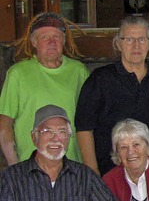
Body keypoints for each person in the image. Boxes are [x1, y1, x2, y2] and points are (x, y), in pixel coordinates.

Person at [76, 16, 149, 175]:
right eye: (129, 39)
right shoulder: (100, 79)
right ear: (118, 44)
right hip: (111, 173)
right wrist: (93, 171)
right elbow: (84, 128)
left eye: (142, 39)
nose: (136, 45)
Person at [0, 12, 89, 165]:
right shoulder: (18, 73)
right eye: (45, 37)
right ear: (34, 42)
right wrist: (15, 167)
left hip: (72, 164)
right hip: (29, 165)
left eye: (57, 37)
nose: (52, 42)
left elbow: (89, 121)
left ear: (64, 41)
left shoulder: (79, 72)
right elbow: (5, 125)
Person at [0, 105, 117, 201]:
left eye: (62, 132)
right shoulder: (12, 178)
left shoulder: (85, 176)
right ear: (33, 137)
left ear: (69, 137)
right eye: (47, 131)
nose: (55, 138)